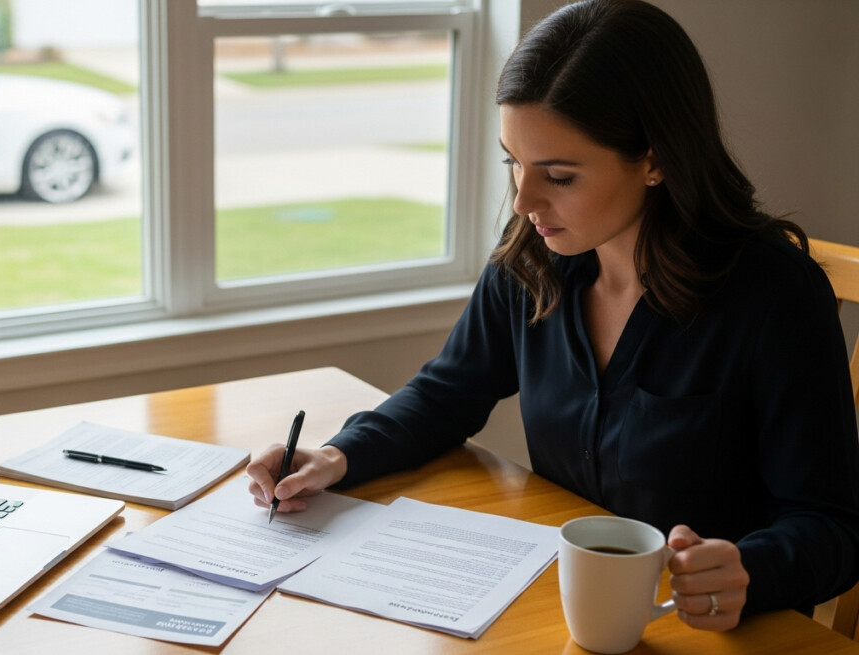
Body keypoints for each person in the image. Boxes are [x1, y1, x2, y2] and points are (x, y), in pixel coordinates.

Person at [246, 0, 859, 632]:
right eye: (513, 161)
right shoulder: (534, 260)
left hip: (710, 632)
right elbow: (448, 392)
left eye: (559, 176)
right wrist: (337, 455)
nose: (524, 200)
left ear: (656, 160)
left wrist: (750, 568)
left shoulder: (774, 296)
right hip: (565, 615)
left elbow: (832, 527)